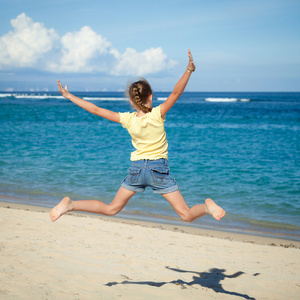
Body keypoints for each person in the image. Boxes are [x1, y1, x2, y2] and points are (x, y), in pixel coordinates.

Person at [50, 50, 225, 223]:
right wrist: (189, 70)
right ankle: (206, 208)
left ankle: (71, 204)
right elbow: (176, 93)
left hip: (137, 170)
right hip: (159, 170)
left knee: (111, 209)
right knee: (186, 214)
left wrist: (69, 96)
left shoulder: (127, 119)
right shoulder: (158, 114)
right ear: (151, 96)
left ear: (132, 102)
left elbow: (96, 110)